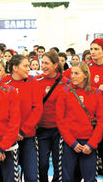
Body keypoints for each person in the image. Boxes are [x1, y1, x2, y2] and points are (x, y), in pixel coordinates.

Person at [56, 62, 103, 182]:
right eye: (72, 73)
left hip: (89, 142)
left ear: (85, 75)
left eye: (76, 73)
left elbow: (100, 121)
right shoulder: (65, 91)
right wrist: (72, 142)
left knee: (90, 178)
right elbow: (60, 119)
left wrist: (92, 144)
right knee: (67, 178)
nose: (73, 76)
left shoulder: (96, 93)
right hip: (70, 143)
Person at [2, 55, 43, 182]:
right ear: (14, 68)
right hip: (8, 138)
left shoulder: (33, 82)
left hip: (27, 136)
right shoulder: (3, 82)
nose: (28, 68)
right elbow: (1, 111)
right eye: (25, 66)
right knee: (9, 177)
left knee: (31, 176)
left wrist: (23, 131)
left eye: (28, 66)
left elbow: (37, 109)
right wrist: (13, 132)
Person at [34, 51, 70, 182]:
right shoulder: (36, 80)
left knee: (58, 163)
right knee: (42, 163)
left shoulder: (66, 82)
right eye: (42, 62)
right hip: (41, 129)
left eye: (46, 63)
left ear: (55, 65)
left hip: (59, 130)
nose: (43, 66)